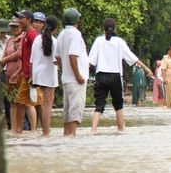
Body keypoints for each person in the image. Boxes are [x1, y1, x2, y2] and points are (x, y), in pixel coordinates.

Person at [88, 18, 153, 133]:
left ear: (103, 29)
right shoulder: (119, 42)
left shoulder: (98, 41)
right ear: (115, 29)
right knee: (118, 105)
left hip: (101, 75)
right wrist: (146, 68)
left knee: (99, 104)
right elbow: (132, 58)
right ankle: (120, 129)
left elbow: (91, 61)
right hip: (115, 76)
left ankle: (93, 130)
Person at [55, 7, 89, 136]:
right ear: (77, 21)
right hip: (75, 80)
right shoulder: (75, 34)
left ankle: (66, 135)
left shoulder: (62, 34)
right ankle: (72, 136)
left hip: (67, 78)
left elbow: (57, 58)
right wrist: (78, 75)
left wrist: (66, 70)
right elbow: (72, 55)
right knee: (75, 110)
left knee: (67, 110)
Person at [13, 10, 43, 134]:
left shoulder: (32, 35)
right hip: (27, 74)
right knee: (21, 102)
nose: (19, 20)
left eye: (21, 18)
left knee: (39, 102)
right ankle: (19, 130)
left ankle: (44, 129)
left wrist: (34, 74)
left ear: (28, 20)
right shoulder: (26, 34)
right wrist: (19, 72)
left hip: (32, 76)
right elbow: (25, 57)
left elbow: (39, 53)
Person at [31, 16, 59, 135]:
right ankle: (46, 132)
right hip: (48, 74)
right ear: (56, 28)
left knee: (41, 103)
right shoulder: (54, 41)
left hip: (37, 74)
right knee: (48, 104)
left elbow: (31, 59)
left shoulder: (37, 39)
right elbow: (55, 60)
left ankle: (42, 130)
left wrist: (32, 78)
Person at [0, 18, 24, 132]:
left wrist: (6, 59)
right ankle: (13, 129)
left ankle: (20, 128)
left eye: (16, 26)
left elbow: (20, 53)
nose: (14, 29)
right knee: (12, 102)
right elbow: (3, 57)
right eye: (12, 27)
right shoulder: (10, 40)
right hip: (9, 73)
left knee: (20, 102)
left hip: (20, 74)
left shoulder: (23, 38)